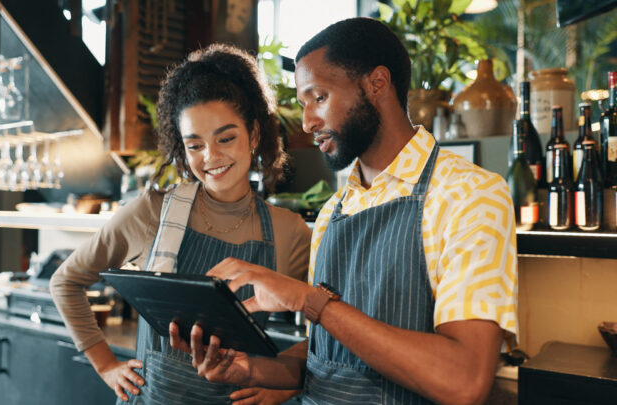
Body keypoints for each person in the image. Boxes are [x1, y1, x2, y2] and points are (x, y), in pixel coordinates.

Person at [170, 17, 519, 405]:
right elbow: (327, 356)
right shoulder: (333, 212)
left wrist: (308, 299)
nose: (307, 122)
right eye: (303, 105)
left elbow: (464, 380)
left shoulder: (469, 195)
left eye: (319, 98)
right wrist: (252, 369)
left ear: (377, 84)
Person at [49, 44, 311, 405]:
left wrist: (283, 385)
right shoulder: (151, 212)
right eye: (195, 145)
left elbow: (334, 328)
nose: (211, 156)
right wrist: (105, 365)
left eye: (226, 138)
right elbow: (65, 281)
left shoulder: (289, 232)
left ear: (253, 134)